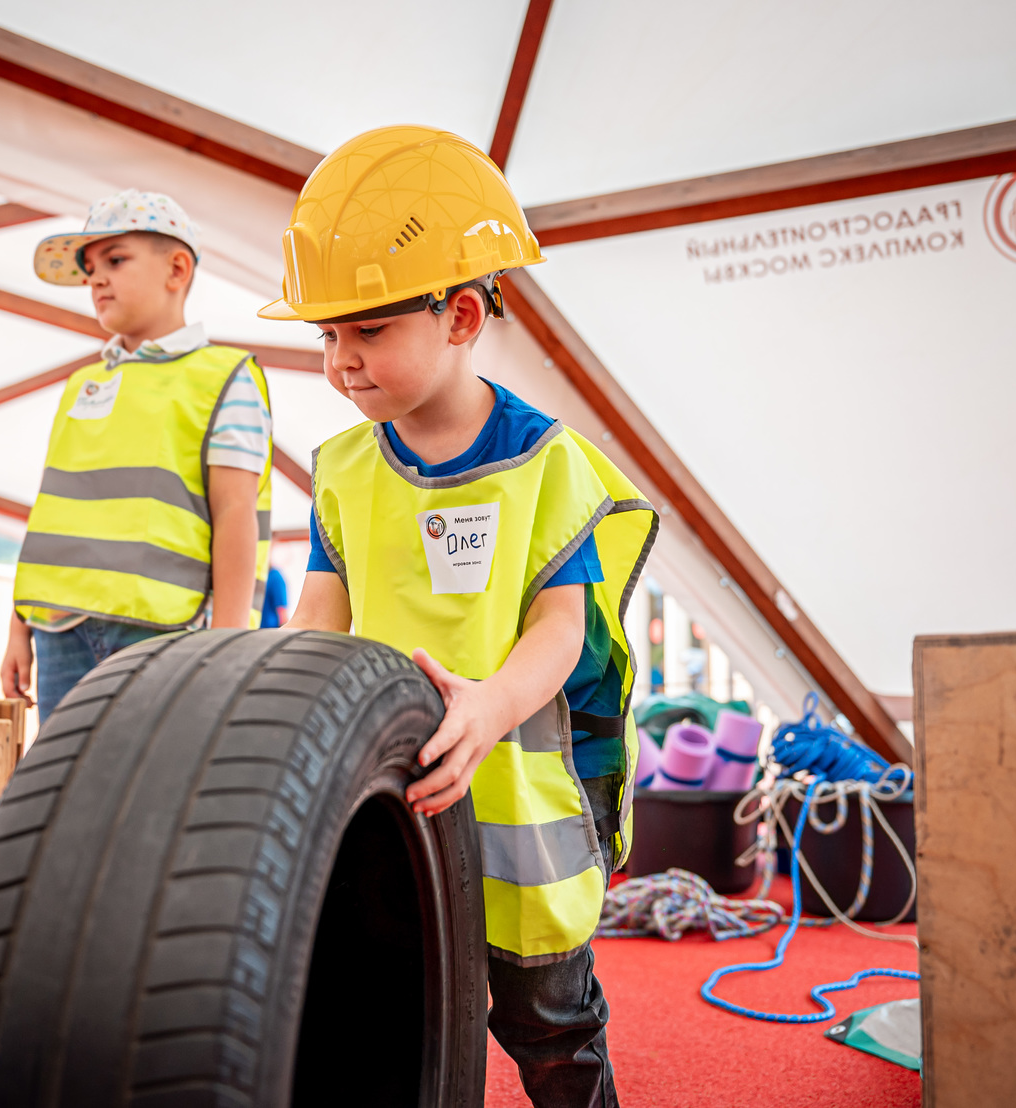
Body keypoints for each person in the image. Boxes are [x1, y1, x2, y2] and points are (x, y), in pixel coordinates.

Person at [274, 127, 657, 1108]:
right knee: (398, 1022)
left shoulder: (544, 463)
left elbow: (559, 628)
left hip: (516, 802)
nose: (341, 364)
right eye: (326, 337)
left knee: (551, 1028)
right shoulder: (342, 472)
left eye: (366, 332)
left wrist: (486, 708)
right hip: (391, 797)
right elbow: (322, 616)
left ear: (457, 316)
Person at [4, 189, 273, 723]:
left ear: (177, 269)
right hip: (57, 627)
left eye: (115, 259)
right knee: (68, 794)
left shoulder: (225, 375)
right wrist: (19, 625)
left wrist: (225, 646)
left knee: (152, 793)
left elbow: (236, 512)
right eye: (89, 268)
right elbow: (52, 509)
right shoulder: (80, 384)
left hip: (162, 629)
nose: (95, 278)